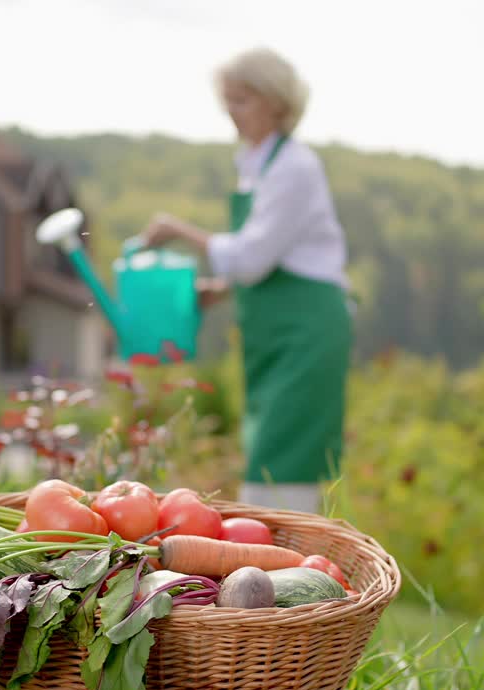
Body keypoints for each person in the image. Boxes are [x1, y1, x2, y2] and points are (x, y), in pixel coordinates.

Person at [140, 47, 352, 514]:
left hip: (306, 334)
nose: (231, 113)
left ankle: (296, 580)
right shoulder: (256, 164)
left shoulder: (294, 166)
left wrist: (179, 231)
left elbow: (253, 256)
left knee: (281, 466)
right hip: (274, 336)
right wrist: (223, 287)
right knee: (271, 460)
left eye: (242, 100)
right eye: (228, 101)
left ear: (276, 102)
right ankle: (283, 575)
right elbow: (276, 252)